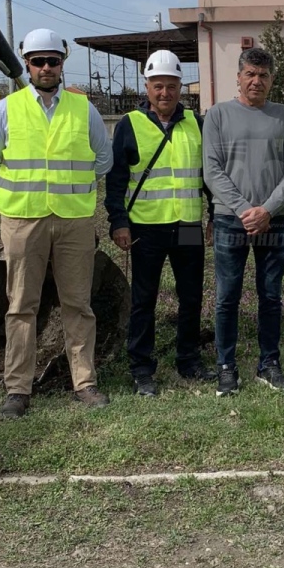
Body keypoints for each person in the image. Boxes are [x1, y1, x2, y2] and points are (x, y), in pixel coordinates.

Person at [0, 28, 113, 419]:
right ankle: (18, 390)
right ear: (27, 64)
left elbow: (103, 160)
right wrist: (15, 196)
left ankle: (84, 383)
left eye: (53, 61)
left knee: (78, 304)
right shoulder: (6, 109)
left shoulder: (83, 109)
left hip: (73, 221)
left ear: (63, 63)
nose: (47, 67)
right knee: (21, 306)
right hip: (23, 220)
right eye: (39, 61)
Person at [104, 49, 212, 396]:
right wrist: (118, 222)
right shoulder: (130, 125)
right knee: (144, 299)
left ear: (181, 86)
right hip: (145, 228)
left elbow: (208, 176)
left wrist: (212, 215)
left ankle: (189, 360)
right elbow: (116, 179)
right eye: (158, 86)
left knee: (191, 296)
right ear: (147, 87)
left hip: (187, 225)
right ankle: (141, 368)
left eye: (171, 86)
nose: (164, 93)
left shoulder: (197, 123)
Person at [202, 47, 284, 395]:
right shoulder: (217, 116)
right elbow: (212, 171)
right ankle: (226, 366)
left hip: (273, 222)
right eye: (250, 74)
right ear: (239, 76)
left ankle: (269, 363)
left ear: (272, 79)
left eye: (263, 76)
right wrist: (247, 210)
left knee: (271, 296)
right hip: (232, 222)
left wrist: (267, 210)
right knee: (227, 297)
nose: (256, 81)